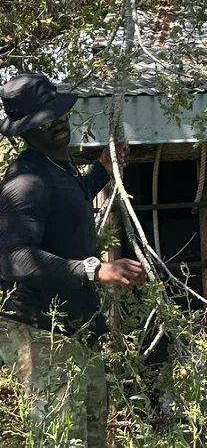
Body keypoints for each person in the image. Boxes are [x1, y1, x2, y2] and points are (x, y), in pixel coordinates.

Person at [0, 72, 145, 448]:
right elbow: (14, 258)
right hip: (41, 332)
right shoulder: (25, 182)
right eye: (43, 123)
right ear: (25, 131)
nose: (57, 126)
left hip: (75, 330)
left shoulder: (56, 169)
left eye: (58, 116)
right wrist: (94, 269)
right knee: (61, 439)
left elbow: (69, 199)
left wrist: (102, 170)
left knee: (91, 435)